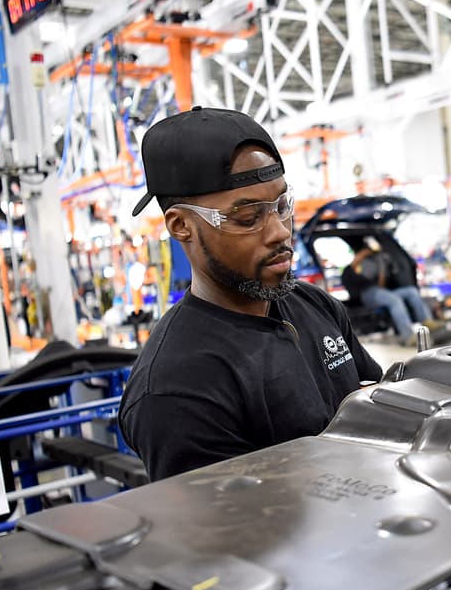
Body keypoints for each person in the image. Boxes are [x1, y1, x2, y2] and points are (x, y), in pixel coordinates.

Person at [117, 107, 382, 481]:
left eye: (281, 206)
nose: (279, 232)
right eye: (248, 218)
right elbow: (228, 530)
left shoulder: (315, 306)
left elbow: (378, 409)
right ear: (181, 226)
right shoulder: (176, 387)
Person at [341, 239, 431, 345]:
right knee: (394, 300)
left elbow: (381, 285)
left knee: (411, 291)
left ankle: (427, 321)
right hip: (367, 294)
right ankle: (408, 337)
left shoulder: (371, 269)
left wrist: (382, 270)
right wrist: (363, 255)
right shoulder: (348, 273)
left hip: (381, 292)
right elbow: (353, 274)